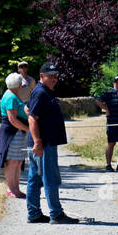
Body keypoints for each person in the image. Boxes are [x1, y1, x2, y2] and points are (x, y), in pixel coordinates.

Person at [26, 62, 78, 225]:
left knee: (35, 178)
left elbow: (28, 109)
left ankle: (34, 213)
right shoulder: (41, 92)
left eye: (56, 76)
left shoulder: (44, 92)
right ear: (42, 76)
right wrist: (38, 142)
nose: (54, 79)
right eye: (50, 76)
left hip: (42, 143)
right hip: (44, 144)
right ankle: (56, 214)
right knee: (50, 178)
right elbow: (32, 118)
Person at [0, 73, 31, 198]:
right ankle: (12, 189)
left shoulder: (12, 95)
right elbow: (13, 120)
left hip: (17, 132)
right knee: (12, 161)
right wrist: (28, 129)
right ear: (18, 86)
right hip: (12, 132)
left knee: (18, 161)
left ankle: (16, 188)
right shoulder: (10, 97)